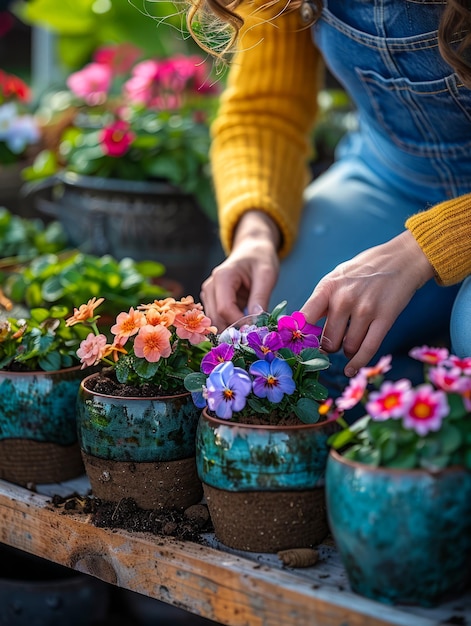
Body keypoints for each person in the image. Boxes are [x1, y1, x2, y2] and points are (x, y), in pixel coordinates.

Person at [187, 0, 471, 385]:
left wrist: (423, 249)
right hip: (392, 178)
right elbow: (265, 111)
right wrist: (255, 233)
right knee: (276, 332)